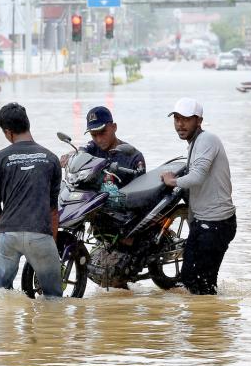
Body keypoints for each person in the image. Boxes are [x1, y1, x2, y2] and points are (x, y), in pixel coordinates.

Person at [0, 103, 63, 298]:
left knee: (2, 295)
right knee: (53, 297)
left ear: (8, 132)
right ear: (28, 124)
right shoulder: (51, 158)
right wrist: (50, 241)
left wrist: (6, 223)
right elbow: (53, 208)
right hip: (40, 234)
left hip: (8, 236)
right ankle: (52, 327)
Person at [160, 98, 236, 295]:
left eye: (186, 119)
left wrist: (172, 181)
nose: (180, 124)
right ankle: (208, 321)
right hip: (204, 222)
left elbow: (197, 176)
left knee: (198, 282)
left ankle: (207, 322)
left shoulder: (207, 140)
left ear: (199, 121)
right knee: (193, 281)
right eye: (176, 119)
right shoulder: (195, 143)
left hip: (216, 223)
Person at [60, 106, 146, 186]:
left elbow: (139, 193)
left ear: (114, 127)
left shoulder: (134, 157)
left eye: (102, 132)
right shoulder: (92, 148)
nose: (99, 139)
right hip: (91, 200)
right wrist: (70, 156)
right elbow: (81, 151)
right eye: (94, 135)